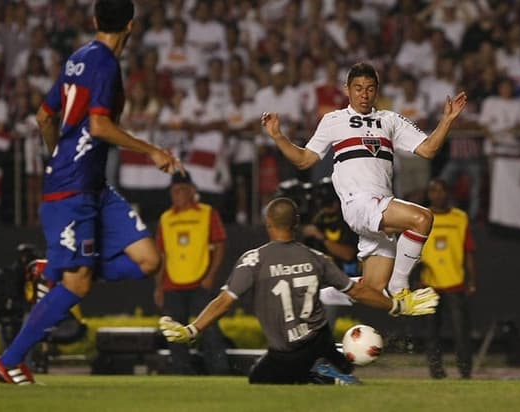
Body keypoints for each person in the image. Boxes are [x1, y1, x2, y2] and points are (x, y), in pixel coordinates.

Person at [0, 0, 181, 385]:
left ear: (96, 20)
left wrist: (57, 155)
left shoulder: (78, 58)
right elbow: (98, 126)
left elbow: (45, 116)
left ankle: (51, 269)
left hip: (93, 185)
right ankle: (8, 362)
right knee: (78, 284)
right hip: (74, 188)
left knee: (148, 260)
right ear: (130, 25)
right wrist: (152, 151)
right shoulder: (106, 64)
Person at [159, 197, 440, 385]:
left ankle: (317, 372)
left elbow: (224, 302)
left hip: (286, 350)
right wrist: (398, 306)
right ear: (295, 224)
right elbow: (358, 291)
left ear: (268, 224)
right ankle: (328, 368)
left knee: (259, 381)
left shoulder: (254, 260)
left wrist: (193, 329)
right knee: (332, 360)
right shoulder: (318, 258)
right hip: (319, 342)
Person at [260, 61, 467, 302]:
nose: (364, 94)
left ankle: (310, 296)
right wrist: (278, 136)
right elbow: (304, 160)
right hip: (359, 204)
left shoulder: (391, 120)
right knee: (423, 218)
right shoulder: (333, 120)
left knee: (372, 290)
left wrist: (448, 119)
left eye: (369, 88)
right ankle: (400, 286)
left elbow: (428, 150)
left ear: (376, 90)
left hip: (381, 205)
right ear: (346, 89)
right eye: (358, 88)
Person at [154, 171, 230, 375]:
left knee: (210, 330)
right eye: (173, 191)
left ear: (191, 191)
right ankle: (182, 372)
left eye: (180, 190)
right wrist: (159, 287)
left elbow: (220, 245)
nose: (176, 194)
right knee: (173, 333)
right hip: (172, 283)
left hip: (199, 282)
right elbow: (161, 255)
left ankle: (220, 371)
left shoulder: (207, 212)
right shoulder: (166, 218)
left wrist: (211, 276)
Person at [419, 178, 477, 379]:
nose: (437, 195)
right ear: (428, 194)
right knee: (431, 332)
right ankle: (436, 371)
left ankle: (465, 370)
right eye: (433, 191)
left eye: (441, 190)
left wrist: (472, 280)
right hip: (430, 283)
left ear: (448, 193)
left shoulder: (460, 218)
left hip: (455, 281)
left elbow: (468, 250)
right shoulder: (421, 216)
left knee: (461, 331)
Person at [301, 178, 359, 329]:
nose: (325, 208)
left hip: (344, 282)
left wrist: (321, 237)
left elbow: (348, 254)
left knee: (324, 327)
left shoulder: (347, 219)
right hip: (319, 281)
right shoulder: (318, 220)